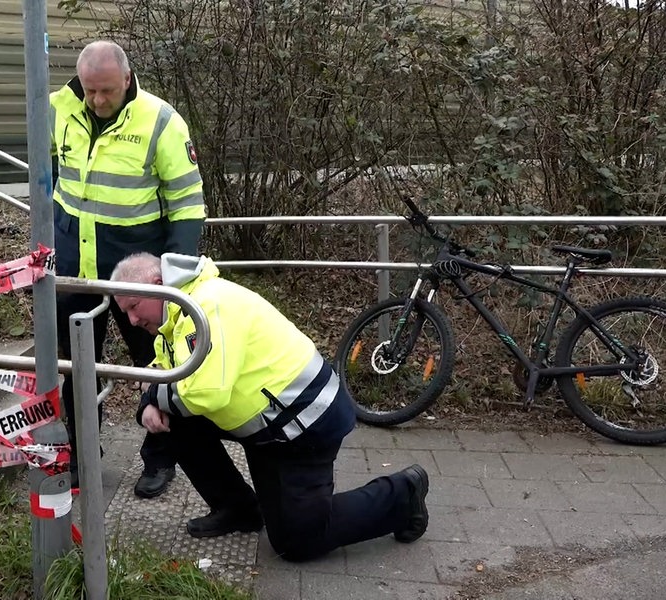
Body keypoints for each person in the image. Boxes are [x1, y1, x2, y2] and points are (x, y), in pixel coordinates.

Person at [110, 252, 430, 562]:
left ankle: (402, 495)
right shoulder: (176, 315)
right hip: (269, 424)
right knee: (174, 419)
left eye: (134, 306)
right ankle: (239, 511)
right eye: (125, 312)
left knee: (297, 542)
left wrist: (154, 397)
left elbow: (207, 394)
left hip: (305, 426)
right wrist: (151, 401)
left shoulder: (206, 307)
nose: (132, 320)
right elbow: (164, 372)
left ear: (157, 282)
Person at [50, 40, 206, 497]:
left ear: (128, 79)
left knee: (157, 367)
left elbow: (187, 203)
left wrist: (174, 278)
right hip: (75, 270)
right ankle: (81, 455)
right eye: (90, 91)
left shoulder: (161, 122)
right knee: (76, 368)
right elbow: (51, 179)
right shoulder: (61, 108)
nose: (97, 101)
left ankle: (160, 460)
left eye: (108, 92)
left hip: (137, 275)